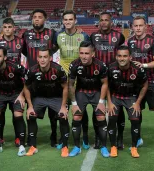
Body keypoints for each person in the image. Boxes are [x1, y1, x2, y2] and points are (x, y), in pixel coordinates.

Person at [128, 16, 154, 154]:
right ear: (132, 27)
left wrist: (142, 65)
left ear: (146, 26)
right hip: (136, 84)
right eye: (135, 26)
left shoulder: (153, 41)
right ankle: (138, 139)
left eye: (140, 25)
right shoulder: (130, 41)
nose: (138, 28)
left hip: (152, 83)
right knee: (137, 111)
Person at [22, 9, 59, 147]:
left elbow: (56, 48)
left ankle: (54, 136)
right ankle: (31, 138)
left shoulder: (52, 33)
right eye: (34, 17)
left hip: (49, 77)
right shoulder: (26, 34)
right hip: (32, 78)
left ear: (45, 19)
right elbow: (24, 51)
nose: (37, 19)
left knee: (53, 112)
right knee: (31, 110)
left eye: (40, 17)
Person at [23, 47, 70, 157]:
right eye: (40, 57)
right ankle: (33, 146)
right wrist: (29, 106)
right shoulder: (32, 71)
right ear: (37, 58)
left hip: (56, 97)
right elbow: (25, 87)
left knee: (63, 116)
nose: (43, 60)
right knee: (31, 115)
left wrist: (63, 106)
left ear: (50, 58)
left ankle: (65, 146)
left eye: (45, 57)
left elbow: (65, 87)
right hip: (39, 97)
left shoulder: (58, 70)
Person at [0, 17, 25, 146]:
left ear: (14, 28)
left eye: (10, 27)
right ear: (2, 28)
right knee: (0, 113)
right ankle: (0, 137)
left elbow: (30, 54)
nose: (7, 29)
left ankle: (18, 137)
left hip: (17, 81)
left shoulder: (21, 41)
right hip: (1, 82)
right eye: (5, 27)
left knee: (17, 114)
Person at [90, 12, 126, 149]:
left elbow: (123, 52)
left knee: (118, 107)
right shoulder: (93, 36)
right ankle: (99, 137)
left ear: (111, 22)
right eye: (101, 20)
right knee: (97, 108)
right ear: (99, 22)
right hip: (97, 77)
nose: (104, 22)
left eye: (106, 20)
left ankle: (119, 138)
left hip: (115, 76)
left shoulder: (119, 36)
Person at [55, 10, 90, 149]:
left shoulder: (83, 35)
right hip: (63, 77)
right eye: (65, 19)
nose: (68, 22)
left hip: (80, 76)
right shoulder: (58, 35)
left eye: (70, 19)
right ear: (63, 21)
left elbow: (88, 53)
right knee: (63, 107)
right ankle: (63, 138)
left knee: (81, 107)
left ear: (75, 20)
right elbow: (48, 51)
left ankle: (85, 137)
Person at [68, 41, 109, 157]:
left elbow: (105, 84)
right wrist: (74, 103)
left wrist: (102, 101)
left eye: (86, 53)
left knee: (101, 116)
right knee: (76, 116)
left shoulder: (101, 65)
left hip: (96, 92)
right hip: (81, 92)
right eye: (81, 53)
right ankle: (77, 147)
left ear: (92, 54)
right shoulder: (74, 65)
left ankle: (104, 147)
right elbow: (70, 84)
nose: (84, 56)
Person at [0, 46, 26, 156]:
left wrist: (22, 95)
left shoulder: (15, 67)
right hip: (0, 94)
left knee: (18, 115)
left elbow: (28, 79)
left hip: (16, 93)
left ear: (5, 57)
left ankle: (21, 145)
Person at [107, 46, 148, 158]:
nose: (122, 58)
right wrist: (109, 103)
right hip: (116, 97)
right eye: (119, 56)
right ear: (116, 57)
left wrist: (138, 102)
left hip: (131, 97)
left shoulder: (138, 69)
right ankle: (113, 146)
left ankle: (134, 147)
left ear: (130, 57)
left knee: (135, 119)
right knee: (112, 118)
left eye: (125, 56)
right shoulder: (110, 68)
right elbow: (107, 86)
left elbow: (145, 85)